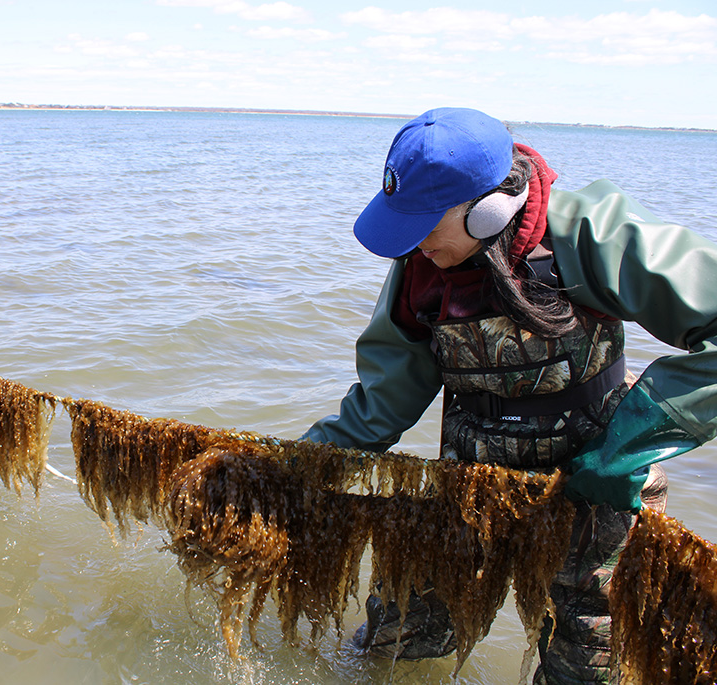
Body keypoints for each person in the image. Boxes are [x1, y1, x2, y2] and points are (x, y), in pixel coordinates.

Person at [303, 107, 716, 684]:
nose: (415, 245)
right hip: (470, 486)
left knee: (586, 668)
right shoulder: (421, 268)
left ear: (486, 210)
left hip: (595, 489)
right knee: (389, 643)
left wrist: (628, 447)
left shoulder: (589, 232)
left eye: (425, 226)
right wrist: (293, 465)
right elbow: (382, 403)